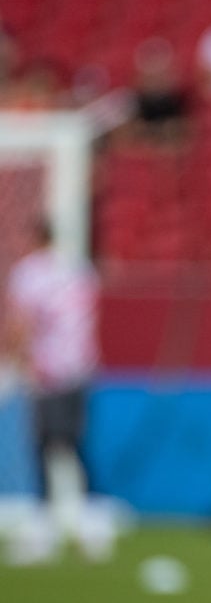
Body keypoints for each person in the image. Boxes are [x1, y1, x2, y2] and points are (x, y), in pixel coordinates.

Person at [3, 218, 110, 563]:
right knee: (74, 445)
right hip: (80, 367)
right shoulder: (78, 269)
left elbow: (22, 324)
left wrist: (16, 364)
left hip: (48, 371)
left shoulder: (28, 274)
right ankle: (91, 525)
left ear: (33, 236)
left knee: (42, 446)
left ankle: (43, 529)